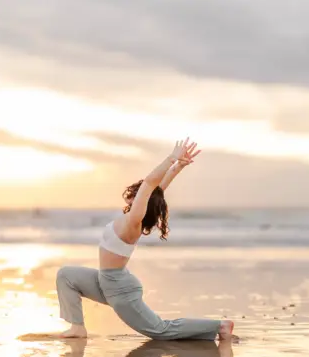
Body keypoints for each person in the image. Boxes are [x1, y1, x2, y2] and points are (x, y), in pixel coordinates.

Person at [55, 138, 234, 340]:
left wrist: (170, 158)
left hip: (119, 289)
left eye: (141, 192)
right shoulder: (133, 216)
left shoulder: (133, 223)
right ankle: (77, 327)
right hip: (104, 280)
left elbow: (150, 184)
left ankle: (220, 326)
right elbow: (158, 188)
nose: (138, 191)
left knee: (161, 330)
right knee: (66, 275)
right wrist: (178, 167)